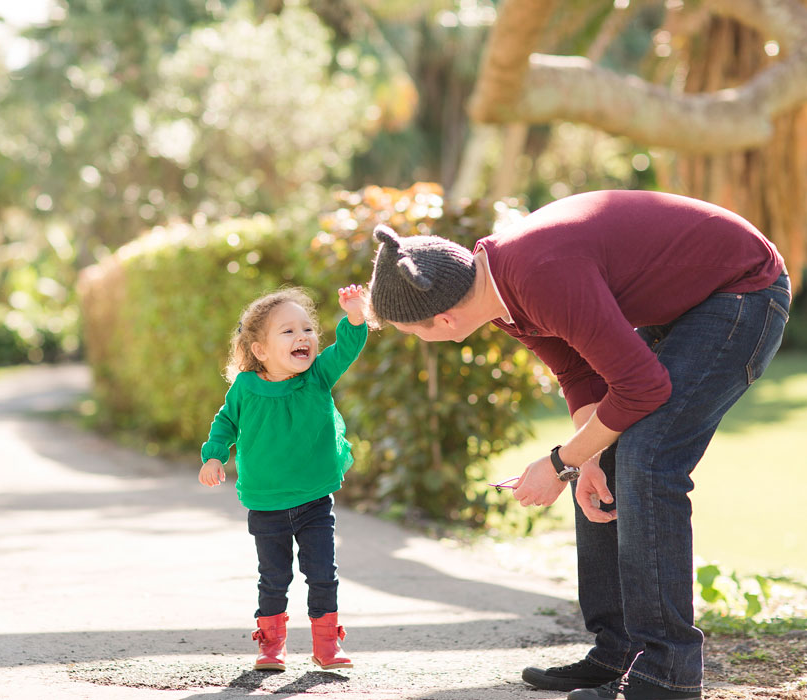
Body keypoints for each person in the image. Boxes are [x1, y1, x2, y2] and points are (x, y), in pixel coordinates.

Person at [366, 190, 790, 700]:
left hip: (743, 291)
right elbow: (577, 369)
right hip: (692, 296)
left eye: (409, 332)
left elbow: (642, 387)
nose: (414, 339)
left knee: (647, 459)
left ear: (443, 321)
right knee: (610, 457)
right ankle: (620, 652)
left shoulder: (537, 274)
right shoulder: (496, 287)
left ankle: (668, 675)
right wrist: (585, 460)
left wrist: (558, 463)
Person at [199, 285, 368, 672]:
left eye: (307, 329)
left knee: (323, 574)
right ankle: (271, 647)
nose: (303, 337)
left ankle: (327, 645)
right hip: (266, 501)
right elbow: (224, 423)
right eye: (288, 331)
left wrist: (356, 317)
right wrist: (213, 456)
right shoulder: (245, 388)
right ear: (260, 350)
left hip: (313, 498)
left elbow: (346, 349)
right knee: (274, 578)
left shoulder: (318, 376)